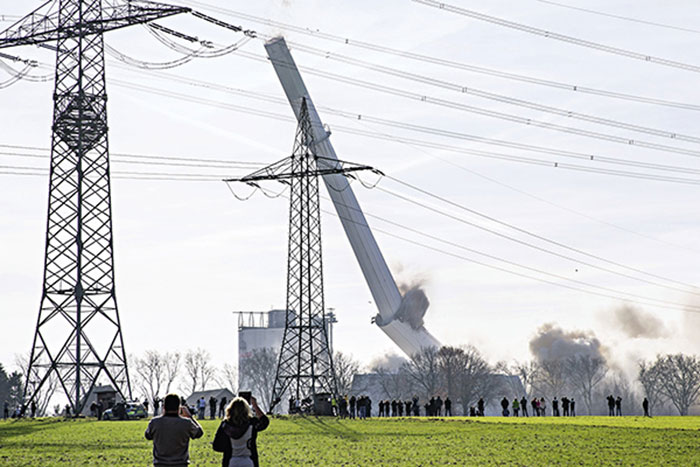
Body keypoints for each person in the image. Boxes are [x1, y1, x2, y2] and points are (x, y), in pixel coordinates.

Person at [144, 393, 203, 467]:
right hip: (181, 463)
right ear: (179, 407)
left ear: (164, 406)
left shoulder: (155, 422)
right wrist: (190, 417)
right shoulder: (186, 423)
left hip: (160, 463)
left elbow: (148, 436)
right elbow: (199, 433)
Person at [213, 396, 269, 467]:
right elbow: (264, 421)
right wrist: (255, 405)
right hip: (249, 460)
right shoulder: (252, 423)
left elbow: (216, 446)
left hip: (231, 461)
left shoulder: (225, 425)